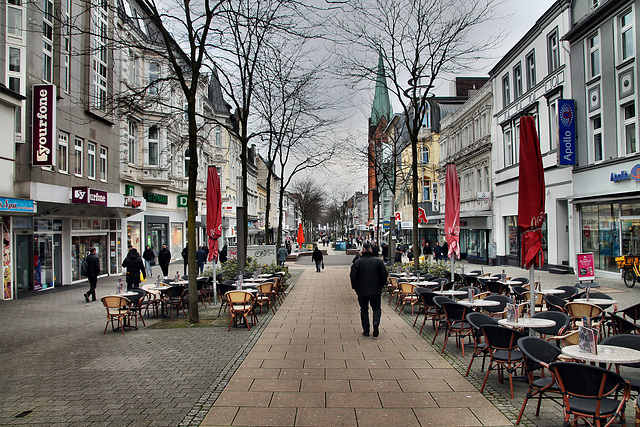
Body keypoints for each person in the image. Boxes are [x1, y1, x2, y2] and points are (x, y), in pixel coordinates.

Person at [350, 242, 388, 337]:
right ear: (371, 250)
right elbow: (384, 274)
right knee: (376, 308)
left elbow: (353, 276)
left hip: (362, 290)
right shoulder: (378, 261)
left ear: (362, 250)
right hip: (375, 290)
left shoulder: (358, 262)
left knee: (364, 310)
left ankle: (366, 330)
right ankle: (376, 322)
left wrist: (355, 287)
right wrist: (381, 285)